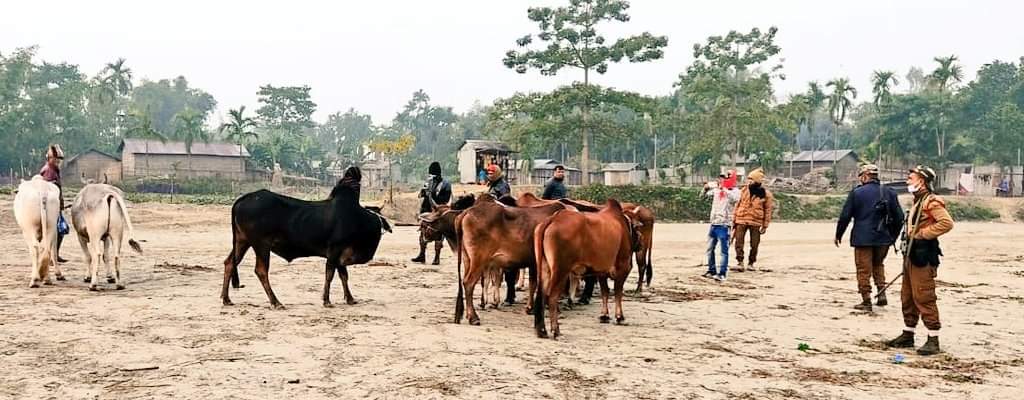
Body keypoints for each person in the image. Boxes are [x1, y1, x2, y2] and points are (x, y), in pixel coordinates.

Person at [886, 165, 954, 356]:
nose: (908, 180)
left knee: (924, 296)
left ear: (921, 181)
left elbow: (946, 223)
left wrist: (923, 234)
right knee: (907, 296)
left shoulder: (931, 202)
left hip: (923, 256)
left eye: (911, 177)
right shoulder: (919, 200)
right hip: (911, 255)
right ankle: (908, 333)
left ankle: (933, 338)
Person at [835, 164, 904, 311]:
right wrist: (893, 236)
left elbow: (845, 216)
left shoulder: (857, 193)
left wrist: (838, 234)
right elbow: (899, 217)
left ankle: (866, 300)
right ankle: (881, 293)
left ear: (864, 176)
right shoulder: (889, 192)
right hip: (883, 238)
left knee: (863, 269)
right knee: (878, 264)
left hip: (862, 238)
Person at [732, 168, 774, 271]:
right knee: (738, 242)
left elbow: (768, 210)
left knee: (754, 244)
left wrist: (765, 225)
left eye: (752, 179)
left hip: (756, 222)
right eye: (748, 179)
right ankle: (740, 262)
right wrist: (734, 219)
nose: (749, 181)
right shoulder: (743, 190)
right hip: (741, 219)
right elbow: (737, 204)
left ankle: (751, 263)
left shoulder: (766, 194)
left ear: (758, 180)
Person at [701, 172, 740, 282]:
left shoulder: (735, 191)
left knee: (723, 250)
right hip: (714, 223)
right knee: (710, 249)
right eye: (721, 178)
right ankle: (711, 270)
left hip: (724, 224)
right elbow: (703, 197)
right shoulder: (716, 190)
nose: (721, 180)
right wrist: (705, 189)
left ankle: (722, 273)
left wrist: (724, 189)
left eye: (725, 179)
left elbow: (735, 199)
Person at [412, 161, 452, 264]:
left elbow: (446, 198)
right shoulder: (428, 182)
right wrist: (425, 192)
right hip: (427, 210)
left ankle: (436, 257)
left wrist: (432, 195)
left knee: (439, 233)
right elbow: (421, 195)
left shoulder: (445, 184)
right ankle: (422, 255)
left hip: (439, 211)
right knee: (424, 231)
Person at [39, 144, 67, 263]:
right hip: (50, 207)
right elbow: (48, 190)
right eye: (55, 159)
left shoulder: (54, 170)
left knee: (61, 230)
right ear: (49, 159)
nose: (57, 161)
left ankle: (54, 254)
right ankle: (50, 255)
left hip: (55, 206)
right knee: (57, 230)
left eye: (59, 159)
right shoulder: (48, 171)